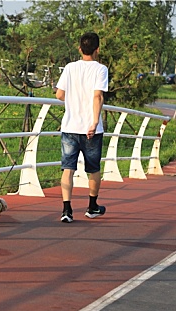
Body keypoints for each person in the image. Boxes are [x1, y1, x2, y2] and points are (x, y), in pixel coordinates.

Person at [55, 32, 109, 223]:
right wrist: (94, 121)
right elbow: (98, 96)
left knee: (67, 168)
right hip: (91, 130)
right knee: (93, 169)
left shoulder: (70, 67)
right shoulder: (101, 69)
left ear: (80, 49)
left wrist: (72, 99)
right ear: (97, 50)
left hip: (70, 126)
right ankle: (92, 207)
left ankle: (67, 210)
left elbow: (59, 94)